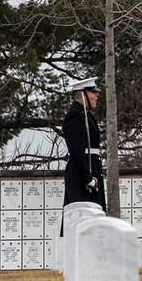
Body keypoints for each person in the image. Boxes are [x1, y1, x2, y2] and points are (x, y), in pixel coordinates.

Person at [62, 78, 107, 221]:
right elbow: (76, 152)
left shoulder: (85, 116)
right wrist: (87, 179)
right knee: (83, 221)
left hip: (92, 170)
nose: (97, 95)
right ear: (83, 94)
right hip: (82, 177)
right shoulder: (76, 116)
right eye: (93, 92)